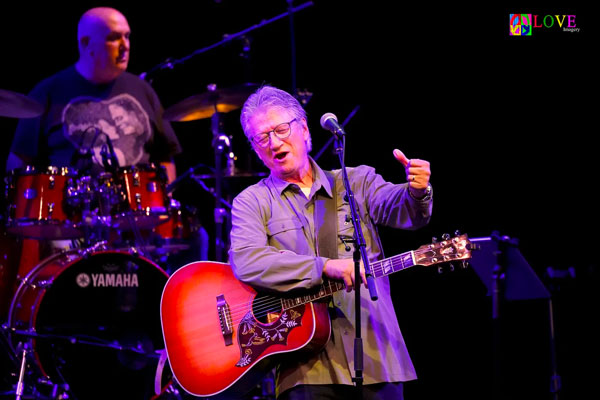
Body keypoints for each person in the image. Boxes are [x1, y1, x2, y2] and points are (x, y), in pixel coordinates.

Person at [228, 85, 433, 399]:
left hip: (377, 353)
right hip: (306, 367)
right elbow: (247, 260)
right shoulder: (251, 202)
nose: (274, 142)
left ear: (305, 130)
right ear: (255, 149)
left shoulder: (356, 181)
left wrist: (417, 191)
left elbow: (406, 212)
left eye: (281, 129)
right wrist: (323, 267)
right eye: (262, 137)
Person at [6, 7, 180, 182]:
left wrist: (165, 200)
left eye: (127, 36)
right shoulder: (47, 92)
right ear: (86, 43)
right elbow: (20, 160)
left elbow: (165, 157)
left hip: (139, 208)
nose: (125, 46)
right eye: (113, 38)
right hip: (70, 207)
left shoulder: (143, 90)